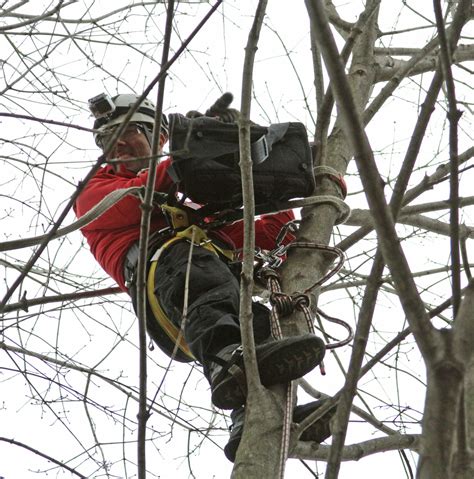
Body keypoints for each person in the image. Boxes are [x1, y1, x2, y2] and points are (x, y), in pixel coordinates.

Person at [74, 93, 330, 454]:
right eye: (106, 139)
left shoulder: (191, 208)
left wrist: (306, 193)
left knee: (253, 316)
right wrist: (201, 149)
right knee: (191, 260)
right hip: (166, 284)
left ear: (156, 136)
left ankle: (263, 420)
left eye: (128, 131)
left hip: (209, 293)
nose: (117, 145)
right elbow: (140, 195)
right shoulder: (94, 192)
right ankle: (227, 362)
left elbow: (258, 237)